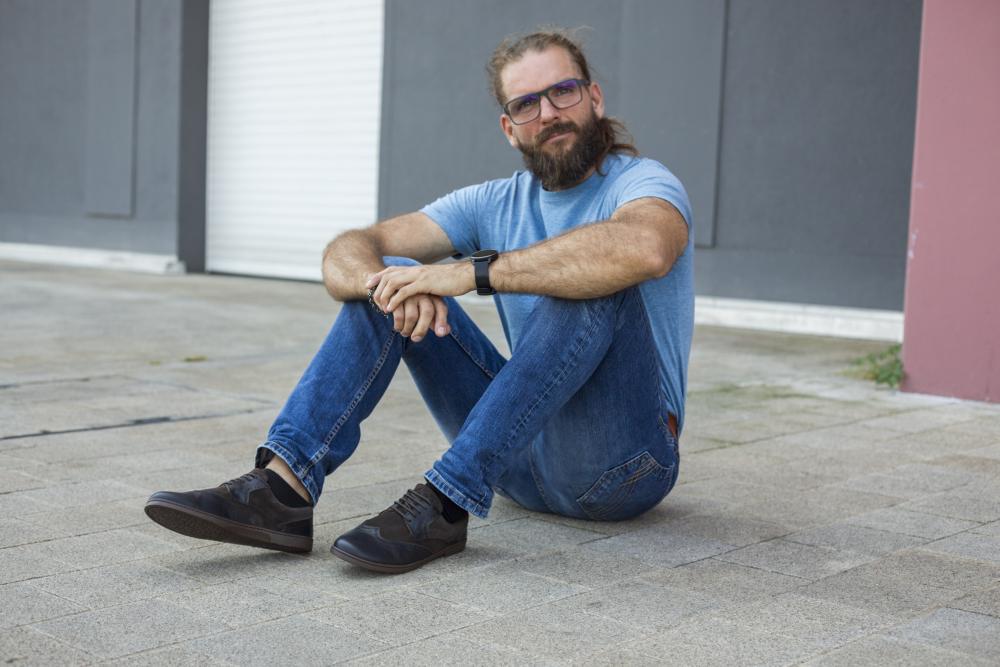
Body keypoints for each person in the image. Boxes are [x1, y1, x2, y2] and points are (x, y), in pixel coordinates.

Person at [145, 27, 694, 574]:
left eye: (562, 92)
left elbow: (645, 248)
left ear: (593, 98)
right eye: (526, 104)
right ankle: (281, 491)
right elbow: (350, 249)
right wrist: (387, 287)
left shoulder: (644, 184)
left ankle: (444, 503)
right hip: (516, 465)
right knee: (396, 274)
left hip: (623, 469)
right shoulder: (493, 201)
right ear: (509, 128)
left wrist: (470, 274)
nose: (548, 113)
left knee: (589, 278)